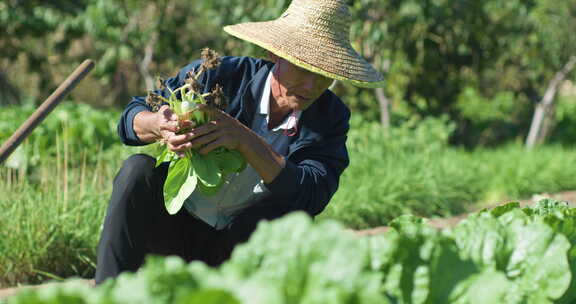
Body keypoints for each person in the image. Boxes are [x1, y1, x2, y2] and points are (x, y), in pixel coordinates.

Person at [94, 0, 384, 284]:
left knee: (286, 214)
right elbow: (130, 120)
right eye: (303, 69)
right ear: (275, 54)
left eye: (324, 75)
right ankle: (108, 291)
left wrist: (244, 140)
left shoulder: (329, 117)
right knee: (137, 170)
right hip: (173, 228)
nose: (312, 86)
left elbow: (311, 194)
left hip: (240, 251)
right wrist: (158, 124)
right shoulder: (221, 76)